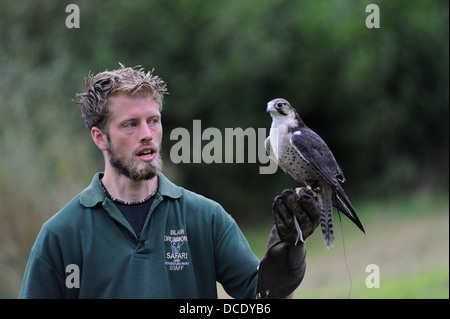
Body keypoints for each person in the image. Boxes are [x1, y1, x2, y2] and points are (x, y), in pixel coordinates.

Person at [19, 64, 320, 299]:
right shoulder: (62, 235)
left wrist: (286, 256)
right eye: (130, 124)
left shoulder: (205, 218)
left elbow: (260, 299)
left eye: (153, 120)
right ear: (100, 138)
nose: (147, 133)